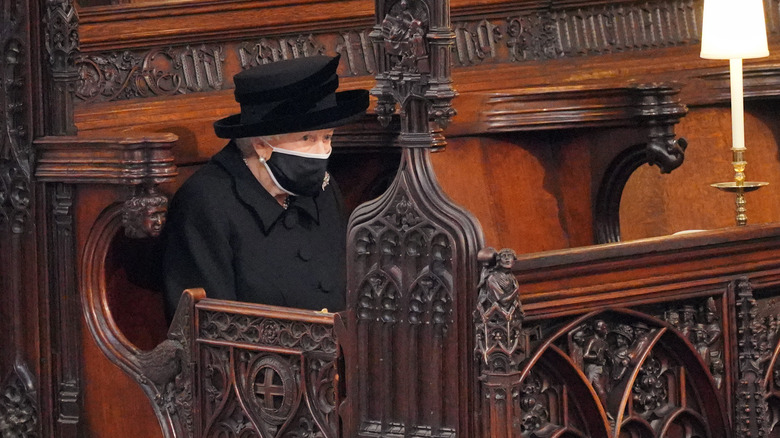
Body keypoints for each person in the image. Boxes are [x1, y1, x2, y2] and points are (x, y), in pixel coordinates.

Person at [161, 55, 369, 318]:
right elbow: (206, 330)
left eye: (327, 137)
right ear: (261, 144)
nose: (323, 152)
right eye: (307, 138)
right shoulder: (205, 203)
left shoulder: (325, 189)